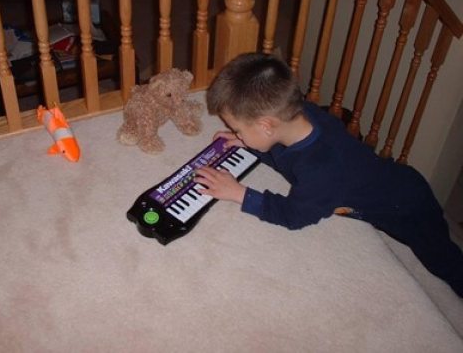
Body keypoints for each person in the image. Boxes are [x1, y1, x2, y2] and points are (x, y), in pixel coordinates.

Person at [194, 52, 463, 297]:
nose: (236, 134)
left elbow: (294, 215)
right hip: (391, 182)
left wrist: (239, 193)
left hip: (406, 208)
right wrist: (248, 143)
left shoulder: (322, 170)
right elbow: (280, 153)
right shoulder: (300, 115)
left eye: (238, 129)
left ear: (266, 126)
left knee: (441, 259)